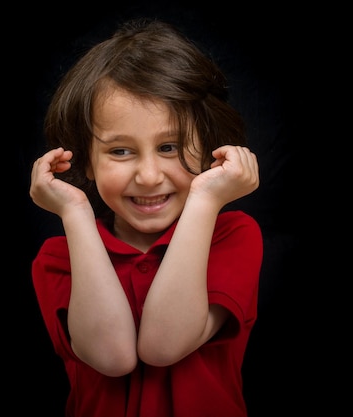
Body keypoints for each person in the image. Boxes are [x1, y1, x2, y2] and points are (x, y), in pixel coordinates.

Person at [29, 17, 263, 417]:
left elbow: (163, 345)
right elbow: (112, 356)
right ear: (86, 161)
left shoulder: (233, 236)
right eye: (120, 151)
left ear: (208, 149)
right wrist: (75, 211)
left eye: (170, 146)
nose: (149, 176)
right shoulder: (57, 257)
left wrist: (206, 199)